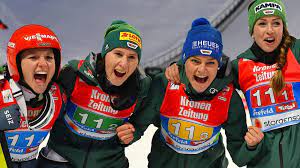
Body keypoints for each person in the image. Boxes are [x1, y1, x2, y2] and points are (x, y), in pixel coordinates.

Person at [117, 18, 262, 168]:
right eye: (195, 61)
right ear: (184, 60)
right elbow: (139, 125)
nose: (202, 69)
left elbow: (239, 157)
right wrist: (127, 135)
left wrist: (250, 146)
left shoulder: (228, 97)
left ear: (219, 65)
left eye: (210, 63)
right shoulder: (165, 84)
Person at [39, 20, 151, 168]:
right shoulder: (74, 73)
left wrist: (131, 134)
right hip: (61, 159)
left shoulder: (142, 86)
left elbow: (142, 120)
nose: (124, 64)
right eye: (118, 54)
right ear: (105, 54)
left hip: (110, 163)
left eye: (132, 57)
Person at [230, 0, 300, 167]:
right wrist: (178, 68)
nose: (270, 30)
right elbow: (204, 74)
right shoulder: (240, 65)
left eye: (276, 23)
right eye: (262, 23)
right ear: (252, 30)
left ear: (283, 27)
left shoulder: (296, 52)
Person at [0, 24, 65, 168]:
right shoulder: (2, 90)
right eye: (33, 57)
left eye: (49, 57)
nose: (43, 64)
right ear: (16, 63)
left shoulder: (59, 96)